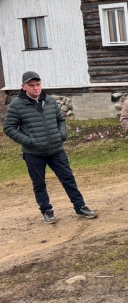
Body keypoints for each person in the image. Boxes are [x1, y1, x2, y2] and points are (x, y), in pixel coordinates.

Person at [3, 71, 98, 223]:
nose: (36, 88)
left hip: (56, 150)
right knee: (39, 183)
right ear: (23, 87)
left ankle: (80, 207)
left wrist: (61, 135)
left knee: (68, 179)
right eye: (31, 85)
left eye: (38, 84)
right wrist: (29, 141)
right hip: (33, 153)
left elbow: (60, 120)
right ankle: (47, 211)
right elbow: (9, 128)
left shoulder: (49, 101)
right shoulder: (17, 105)